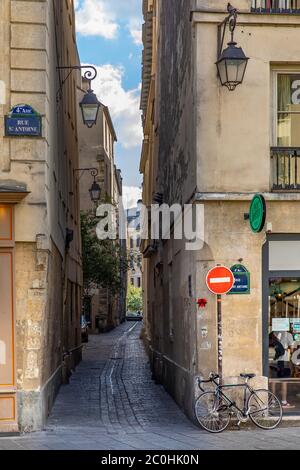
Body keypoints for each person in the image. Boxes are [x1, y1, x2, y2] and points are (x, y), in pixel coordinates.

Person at [271, 330, 296, 409]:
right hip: (284, 360)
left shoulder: (273, 333)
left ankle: (272, 402)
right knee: (284, 380)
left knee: (273, 381)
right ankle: (284, 402)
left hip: (274, 359)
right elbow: (292, 349)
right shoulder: (288, 334)